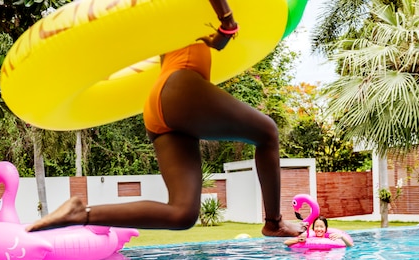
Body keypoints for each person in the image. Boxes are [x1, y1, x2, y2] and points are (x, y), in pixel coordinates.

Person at [26, 0, 307, 238]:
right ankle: (273, 223)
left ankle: (81, 213)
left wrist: (223, 33)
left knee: (182, 213)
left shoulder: (179, 17)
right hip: (180, 87)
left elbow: (212, 42)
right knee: (267, 132)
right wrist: (228, 18)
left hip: (161, 103)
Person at [284, 216, 354, 247]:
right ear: (313, 228)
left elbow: (350, 246)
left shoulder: (330, 239)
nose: (319, 229)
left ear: (326, 229)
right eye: (317, 226)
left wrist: (342, 237)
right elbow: (286, 243)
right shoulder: (308, 238)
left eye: (321, 227)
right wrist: (298, 240)